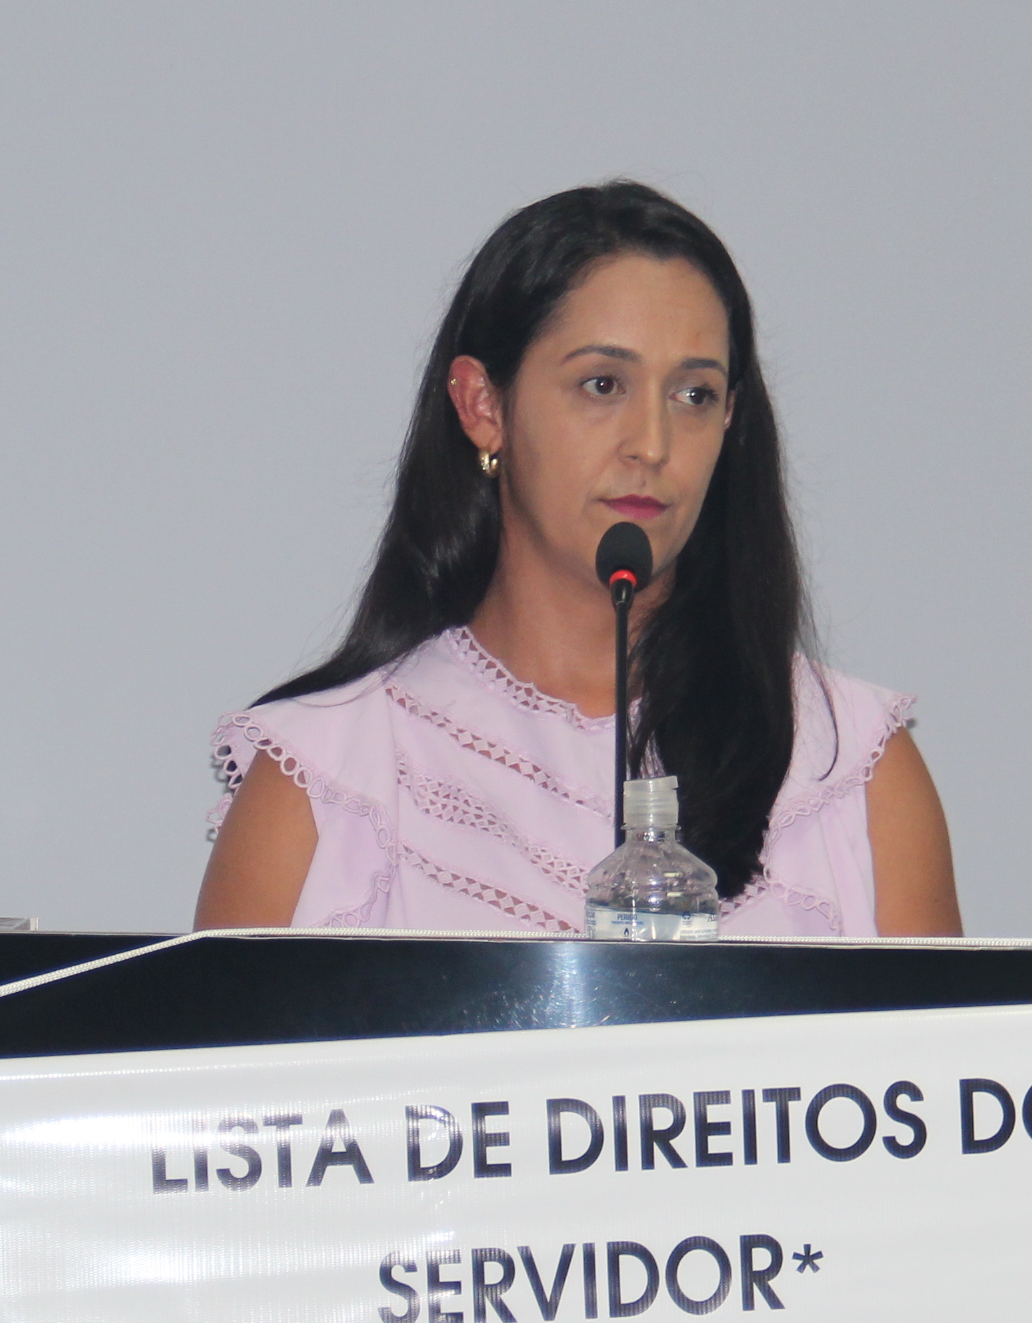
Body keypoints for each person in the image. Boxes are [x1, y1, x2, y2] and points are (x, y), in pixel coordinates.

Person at [197, 181, 960, 937]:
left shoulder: (850, 770)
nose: (652, 445)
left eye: (694, 395)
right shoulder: (328, 778)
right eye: (603, 385)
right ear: (483, 406)